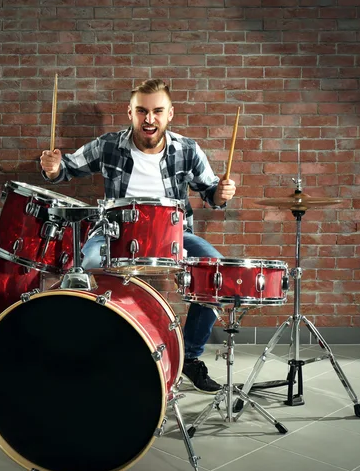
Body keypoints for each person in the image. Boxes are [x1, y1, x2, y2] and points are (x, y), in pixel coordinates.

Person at [40, 79, 236, 393]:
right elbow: (66, 168)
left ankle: (190, 357)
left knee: (215, 271)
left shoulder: (187, 149)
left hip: (174, 235)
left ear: (169, 114)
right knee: (79, 269)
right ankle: (75, 352)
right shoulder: (108, 145)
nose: (149, 118)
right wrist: (52, 169)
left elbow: (212, 192)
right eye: (142, 111)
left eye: (157, 111)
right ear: (129, 112)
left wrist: (223, 194)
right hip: (113, 234)